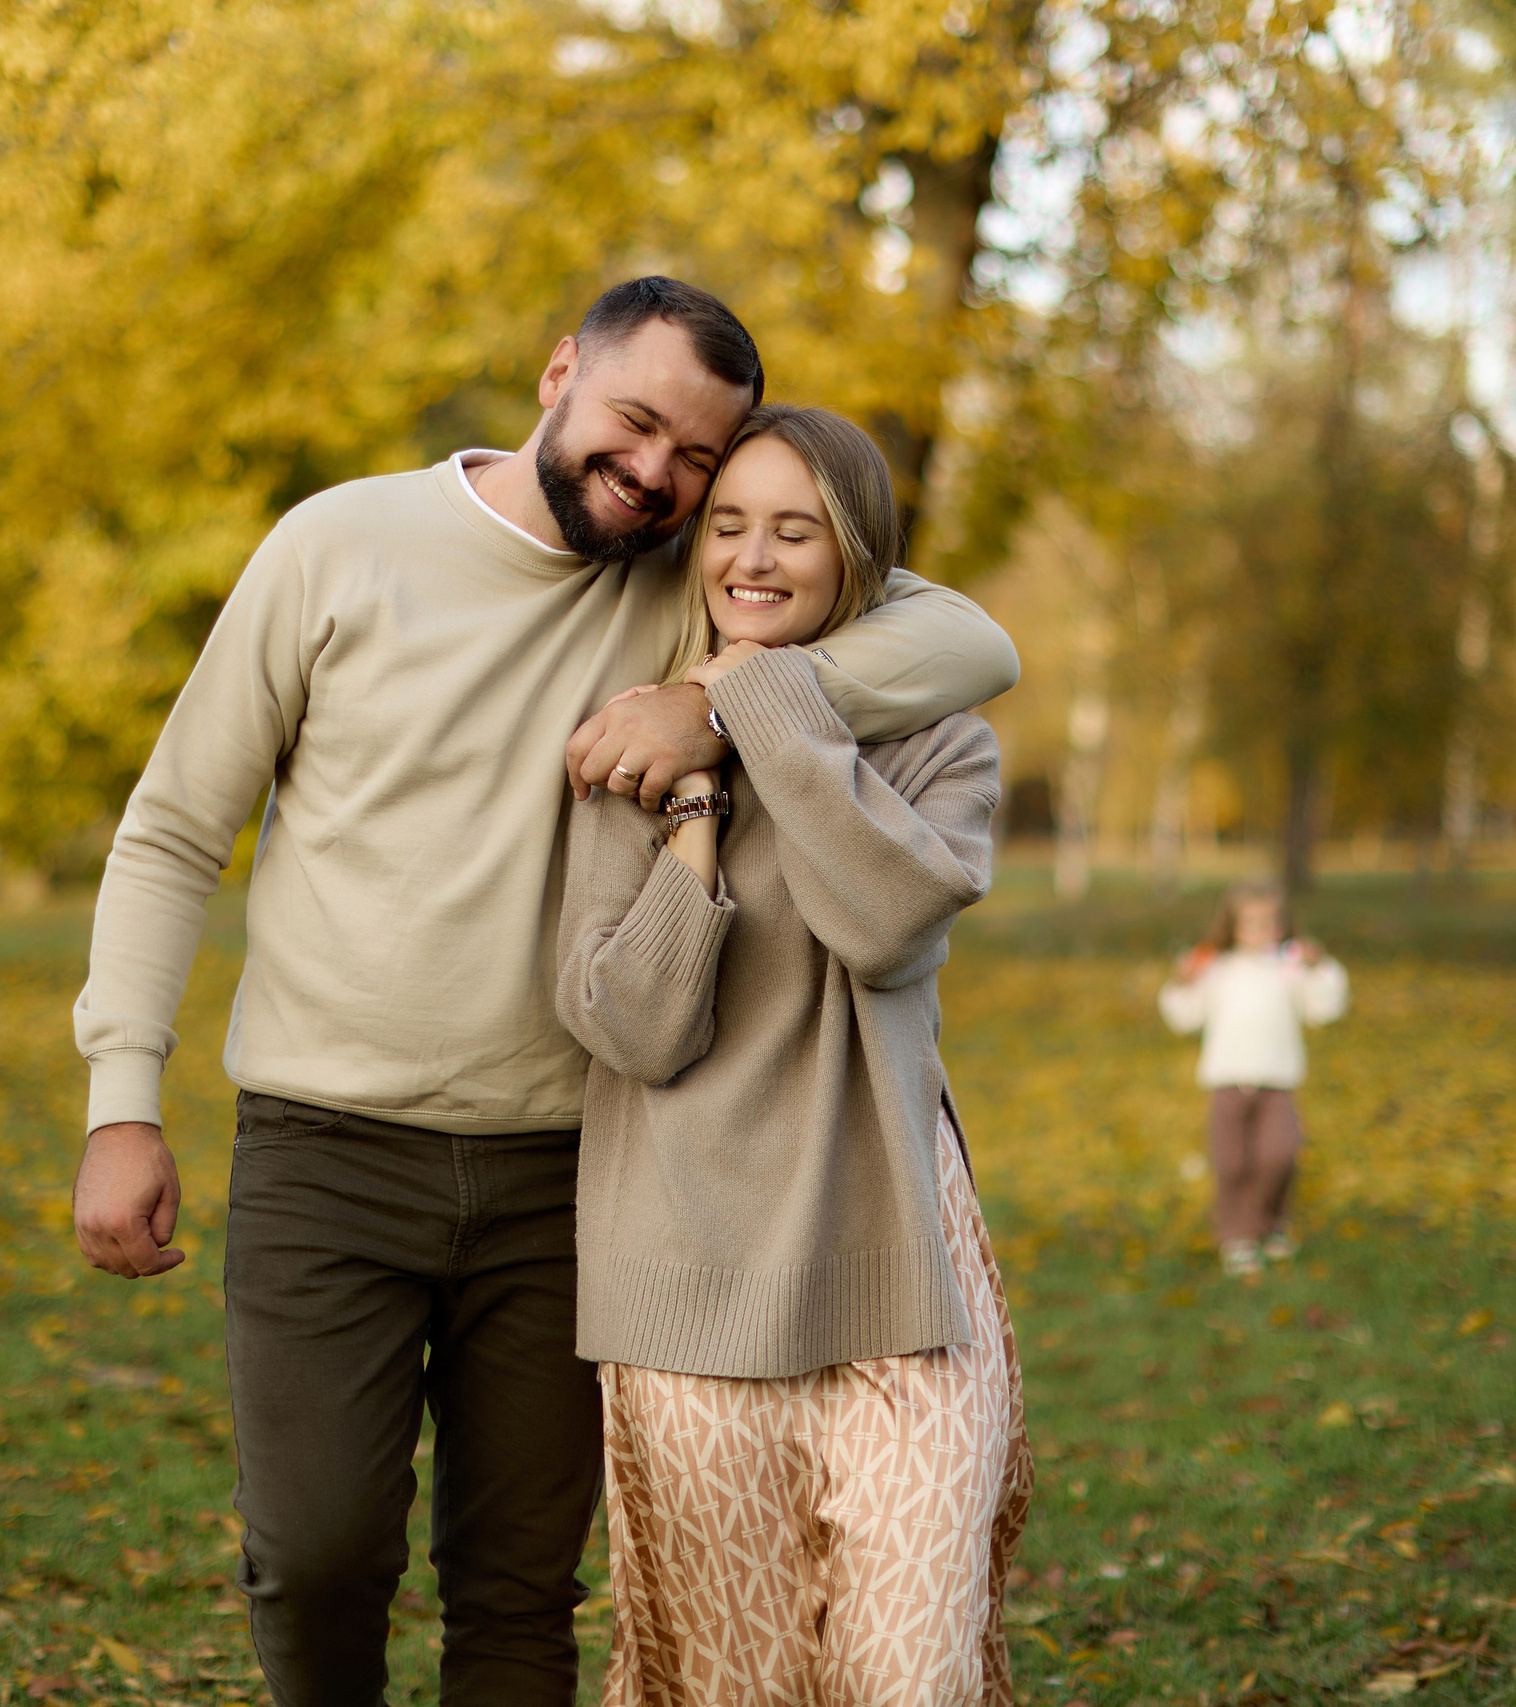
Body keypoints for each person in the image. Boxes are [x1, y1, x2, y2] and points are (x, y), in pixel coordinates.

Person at [67, 279, 1020, 1707]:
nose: (652, 475)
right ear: (558, 370)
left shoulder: (684, 577)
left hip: (569, 1166)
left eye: (694, 458)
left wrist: (709, 697)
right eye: (634, 423)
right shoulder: (337, 545)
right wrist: (120, 1098)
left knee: (518, 1585)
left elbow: (968, 646)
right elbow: (173, 830)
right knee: (317, 1555)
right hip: (328, 1147)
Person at [556, 405, 1030, 1707]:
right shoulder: (634, 743)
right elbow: (637, 1025)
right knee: (737, 1687)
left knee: (914, 1671)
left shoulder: (940, 739)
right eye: (729, 525)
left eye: (796, 528)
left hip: (895, 1274)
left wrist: (748, 701)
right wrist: (697, 804)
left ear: (859, 557)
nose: (753, 558)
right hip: (689, 1282)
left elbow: (878, 925)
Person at [1156, 882, 1348, 1278]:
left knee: (1280, 1154)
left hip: (1277, 1083)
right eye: (1252, 923)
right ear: (1232, 926)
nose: (1263, 930)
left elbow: (1325, 1009)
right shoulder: (1216, 969)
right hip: (1227, 1084)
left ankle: (1271, 1220)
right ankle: (1237, 1236)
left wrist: (1320, 967)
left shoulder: (1290, 966)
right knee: (1232, 1164)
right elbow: (1185, 1017)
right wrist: (1182, 982)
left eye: (1271, 922)